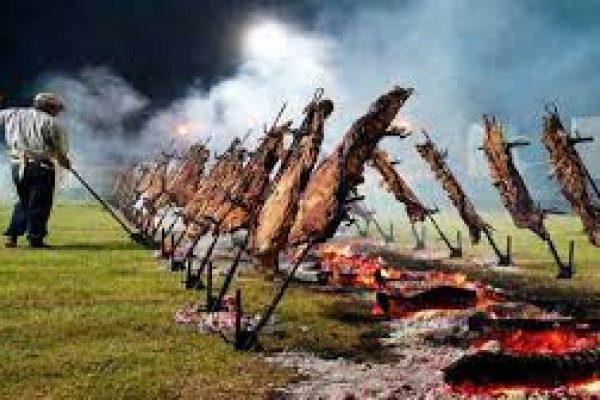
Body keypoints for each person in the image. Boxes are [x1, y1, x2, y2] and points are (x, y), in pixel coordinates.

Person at [0, 93, 71, 248]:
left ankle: (13, 236)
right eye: (56, 109)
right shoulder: (51, 123)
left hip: (17, 166)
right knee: (40, 203)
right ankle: (35, 238)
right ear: (49, 107)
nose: (57, 112)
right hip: (41, 167)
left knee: (24, 201)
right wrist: (65, 162)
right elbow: (60, 150)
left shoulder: (13, 113)